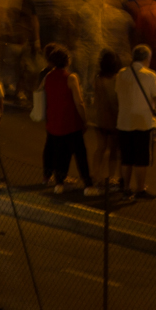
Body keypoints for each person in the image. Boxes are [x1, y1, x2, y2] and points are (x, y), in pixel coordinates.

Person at [39, 44, 95, 196]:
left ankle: (59, 183)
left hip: (55, 123)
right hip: (71, 123)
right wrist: (85, 120)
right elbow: (79, 102)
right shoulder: (71, 78)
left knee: (60, 154)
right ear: (66, 61)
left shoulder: (48, 77)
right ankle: (88, 185)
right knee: (80, 154)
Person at [114, 43, 156, 199]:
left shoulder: (121, 74)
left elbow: (117, 93)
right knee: (141, 159)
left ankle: (126, 188)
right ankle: (140, 189)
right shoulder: (150, 75)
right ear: (146, 58)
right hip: (143, 122)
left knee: (126, 158)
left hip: (123, 121)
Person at [91, 51, 122, 192]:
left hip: (100, 119)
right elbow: (114, 102)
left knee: (101, 148)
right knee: (113, 150)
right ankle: (110, 177)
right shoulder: (114, 80)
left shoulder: (98, 79)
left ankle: (95, 175)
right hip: (113, 120)